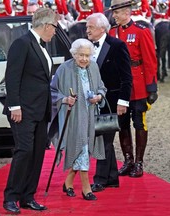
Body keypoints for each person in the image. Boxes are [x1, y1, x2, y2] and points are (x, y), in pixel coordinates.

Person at [2, 8, 59, 213]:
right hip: (23, 111)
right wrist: (14, 106)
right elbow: (12, 76)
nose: (55, 31)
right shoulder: (22, 43)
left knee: (36, 155)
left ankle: (28, 196)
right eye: (54, 27)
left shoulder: (43, 46)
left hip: (41, 110)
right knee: (24, 151)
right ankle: (11, 197)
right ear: (46, 26)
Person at [49, 38, 107, 201]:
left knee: (84, 148)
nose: (84, 59)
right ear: (74, 54)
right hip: (72, 116)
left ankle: (68, 183)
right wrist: (65, 99)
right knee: (81, 147)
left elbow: (102, 87)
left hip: (90, 115)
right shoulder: (64, 68)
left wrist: (99, 96)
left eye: (87, 56)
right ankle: (86, 188)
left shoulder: (94, 67)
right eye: (81, 55)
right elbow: (52, 91)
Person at [109, 0, 158, 178]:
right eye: (114, 13)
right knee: (122, 124)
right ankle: (128, 161)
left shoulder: (141, 32)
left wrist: (151, 87)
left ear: (127, 13)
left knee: (139, 123)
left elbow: (150, 60)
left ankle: (139, 162)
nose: (114, 16)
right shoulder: (112, 33)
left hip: (138, 85)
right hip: (120, 86)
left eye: (117, 13)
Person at [85, 13, 132, 192]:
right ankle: (112, 178)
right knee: (104, 140)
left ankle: (100, 179)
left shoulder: (117, 46)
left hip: (112, 102)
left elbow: (127, 78)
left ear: (102, 28)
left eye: (90, 27)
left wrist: (123, 102)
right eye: (87, 27)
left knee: (103, 141)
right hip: (93, 103)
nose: (87, 30)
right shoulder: (86, 46)